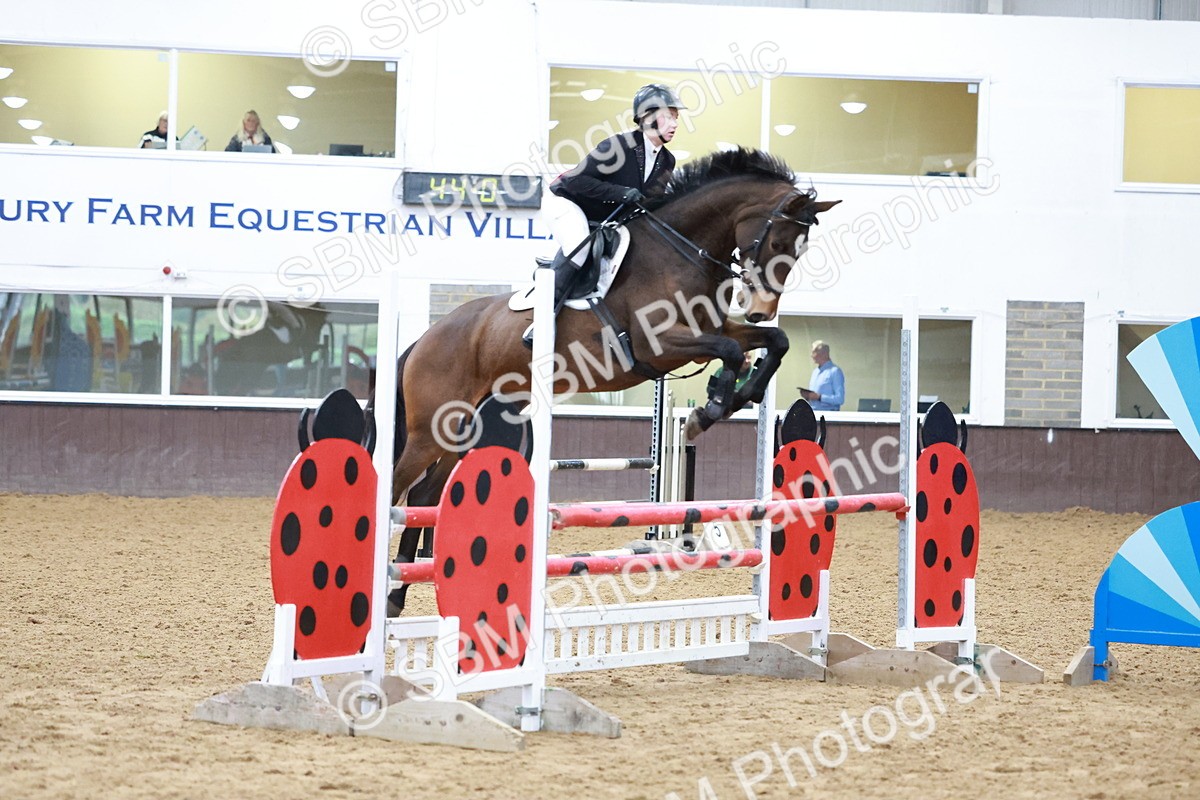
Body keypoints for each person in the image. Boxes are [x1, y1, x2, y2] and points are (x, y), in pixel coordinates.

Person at [524, 83, 686, 346]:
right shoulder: (619, 145)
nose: (675, 124)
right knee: (579, 248)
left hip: (604, 215)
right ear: (647, 117)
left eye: (676, 117)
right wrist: (621, 193)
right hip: (565, 201)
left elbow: (650, 205)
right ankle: (541, 321)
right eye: (668, 116)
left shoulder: (667, 160)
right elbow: (576, 181)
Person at [799, 340, 844, 411]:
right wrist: (808, 396)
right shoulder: (815, 372)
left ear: (823, 353)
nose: (811, 356)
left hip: (829, 415)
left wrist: (819, 397)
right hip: (813, 413)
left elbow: (840, 399)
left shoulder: (835, 372)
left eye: (814, 352)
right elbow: (814, 397)